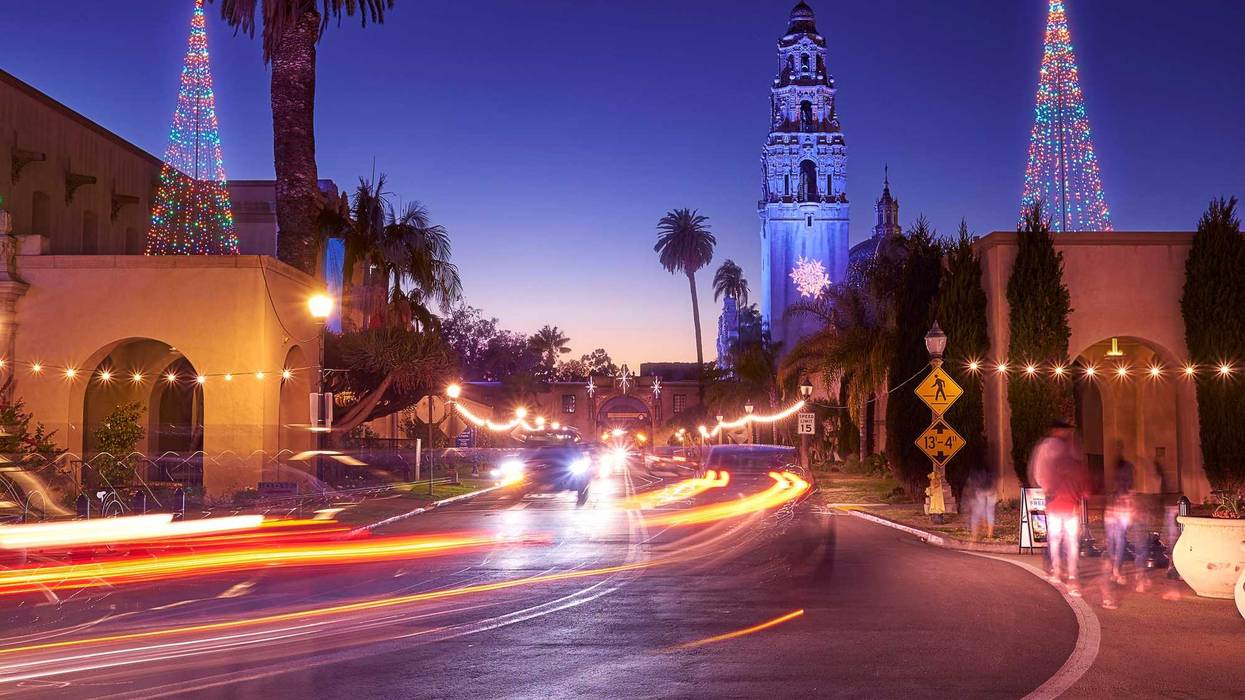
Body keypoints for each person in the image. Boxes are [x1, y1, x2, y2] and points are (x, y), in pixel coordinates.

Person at [1030, 420, 1090, 596]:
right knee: (1068, 543)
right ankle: (1070, 577)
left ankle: (1060, 573)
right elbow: (1080, 477)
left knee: (1059, 541)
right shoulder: (1066, 452)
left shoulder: (1051, 450)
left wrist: (1046, 489)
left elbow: (1040, 474)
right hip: (1066, 504)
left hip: (1060, 503)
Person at [1101, 446, 1135, 609]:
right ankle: (1115, 570)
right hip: (1118, 511)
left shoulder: (1115, 482)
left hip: (1113, 512)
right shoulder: (1125, 484)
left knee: (1115, 542)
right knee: (1119, 541)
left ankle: (1114, 570)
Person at [965, 468, 998, 541]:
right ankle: (989, 535)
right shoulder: (989, 470)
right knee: (990, 512)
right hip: (991, 490)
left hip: (982, 490)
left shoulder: (975, 470)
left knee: (980, 511)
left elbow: (972, 484)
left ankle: (975, 536)